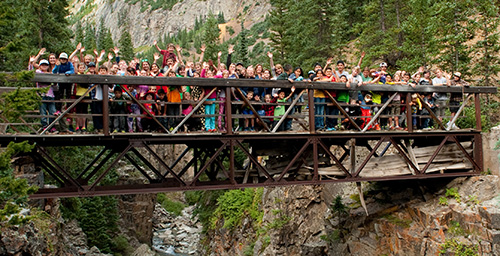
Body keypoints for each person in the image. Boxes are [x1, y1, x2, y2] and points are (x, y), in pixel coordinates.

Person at [35, 59, 58, 131]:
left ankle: (51, 126)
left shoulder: (50, 74)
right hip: (42, 95)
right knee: (43, 112)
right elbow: (35, 71)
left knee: (53, 112)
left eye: (46, 65)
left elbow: (55, 86)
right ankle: (45, 126)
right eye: (42, 65)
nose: (44, 66)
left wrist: (54, 83)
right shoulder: (38, 72)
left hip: (51, 95)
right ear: (40, 66)